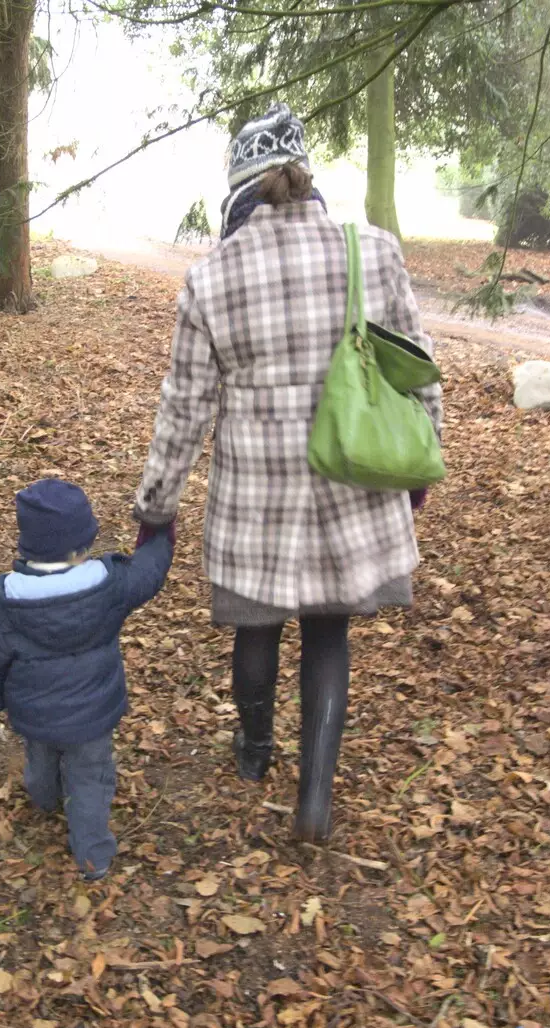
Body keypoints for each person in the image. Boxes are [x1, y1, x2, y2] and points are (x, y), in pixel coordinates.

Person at [132, 103, 442, 842]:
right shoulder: (372, 250)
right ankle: (315, 803)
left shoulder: (211, 278)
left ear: (238, 189)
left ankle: (253, 750)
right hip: (352, 473)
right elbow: (419, 368)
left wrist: (156, 505)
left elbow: (185, 405)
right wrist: (422, 454)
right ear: (308, 178)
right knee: (329, 632)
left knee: (256, 627)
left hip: (255, 491)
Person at [0, 479, 174, 880]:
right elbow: (150, 571)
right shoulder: (109, 586)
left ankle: (45, 800)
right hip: (93, 716)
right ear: (82, 543)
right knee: (90, 779)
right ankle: (93, 856)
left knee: (41, 757)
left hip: (34, 712)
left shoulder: (7, 605)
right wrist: (159, 530)